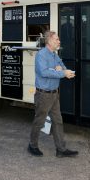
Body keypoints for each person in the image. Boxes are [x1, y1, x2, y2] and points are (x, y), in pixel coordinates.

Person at [28, 30, 78, 158]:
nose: (59, 41)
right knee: (39, 121)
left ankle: (61, 149)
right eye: (57, 39)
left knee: (58, 121)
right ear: (49, 41)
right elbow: (44, 72)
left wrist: (62, 70)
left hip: (54, 94)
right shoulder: (41, 55)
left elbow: (62, 66)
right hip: (44, 95)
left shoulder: (55, 55)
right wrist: (60, 72)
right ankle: (32, 145)